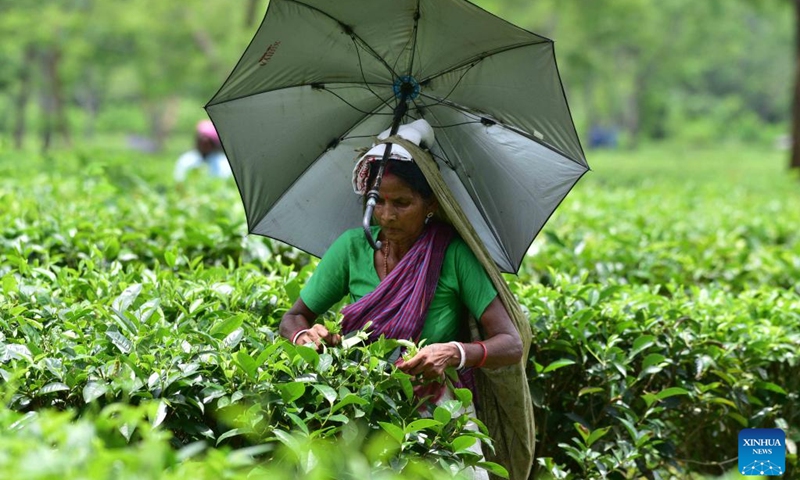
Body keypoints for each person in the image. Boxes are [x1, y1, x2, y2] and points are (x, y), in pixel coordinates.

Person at [279, 118, 523, 405]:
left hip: (436, 413)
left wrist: (454, 353)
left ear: (431, 202)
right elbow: (293, 318)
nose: (386, 216)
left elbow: (510, 343)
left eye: (401, 203)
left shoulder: (452, 254)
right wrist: (306, 336)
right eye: (377, 201)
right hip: (362, 400)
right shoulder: (351, 248)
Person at [173, 119, 232, 185]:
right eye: (202, 141)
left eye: (209, 142)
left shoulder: (223, 163)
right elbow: (179, 181)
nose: (204, 145)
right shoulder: (186, 160)